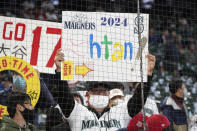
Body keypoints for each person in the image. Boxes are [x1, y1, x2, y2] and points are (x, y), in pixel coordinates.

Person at [50, 49, 156, 131]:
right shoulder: (78, 111)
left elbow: (139, 99)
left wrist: (148, 75)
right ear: (87, 94)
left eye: (103, 91)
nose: (100, 93)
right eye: (96, 90)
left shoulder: (121, 111)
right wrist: (59, 71)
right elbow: (64, 95)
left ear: (108, 94)